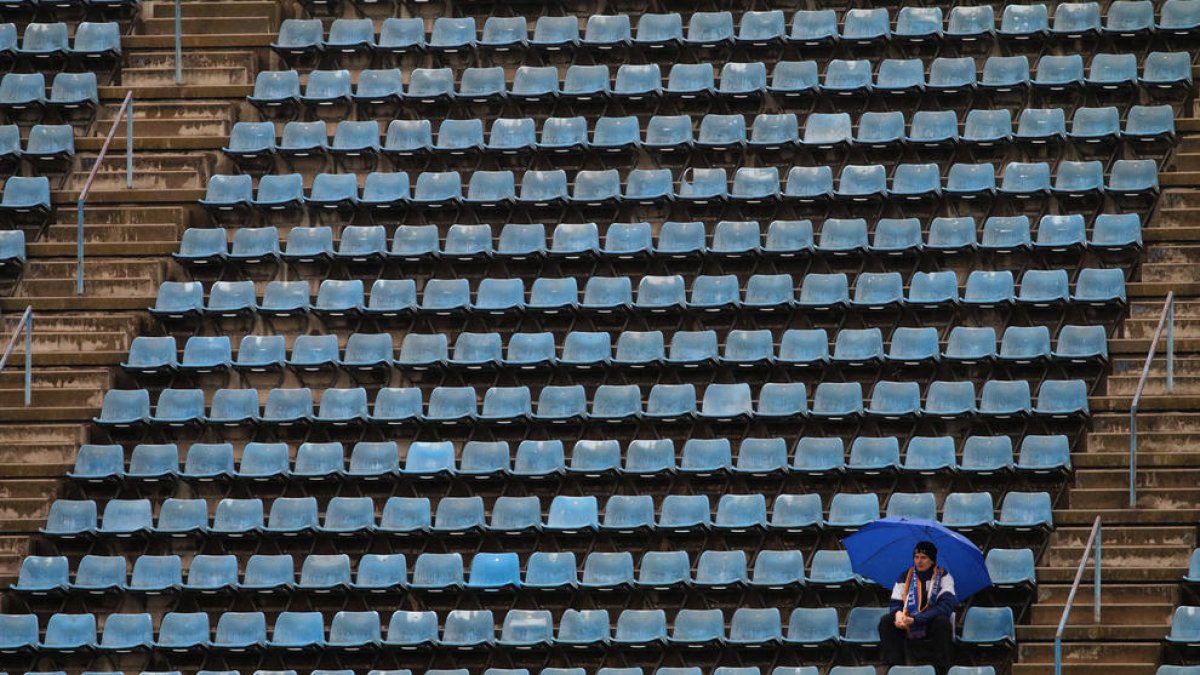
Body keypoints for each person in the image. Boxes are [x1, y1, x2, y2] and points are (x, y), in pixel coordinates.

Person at [878, 540, 958, 675]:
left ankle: (941, 669)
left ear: (932, 560)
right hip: (908, 620)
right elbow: (895, 603)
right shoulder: (905, 576)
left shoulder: (944, 576)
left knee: (942, 623)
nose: (919, 561)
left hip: (931, 621)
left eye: (924, 557)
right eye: (916, 557)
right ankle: (894, 667)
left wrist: (916, 619)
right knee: (886, 621)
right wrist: (898, 615)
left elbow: (945, 607)